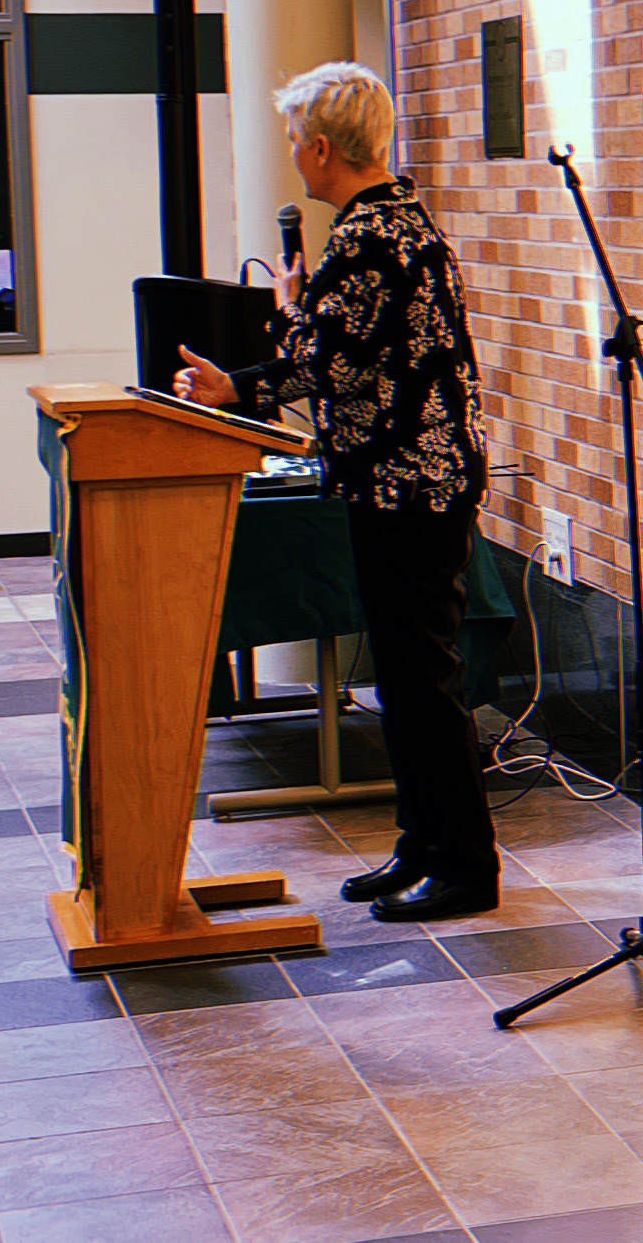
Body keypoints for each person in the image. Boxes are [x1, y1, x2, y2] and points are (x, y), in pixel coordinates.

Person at [173, 61, 499, 922]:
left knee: (419, 677)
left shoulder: (364, 239)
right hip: (424, 478)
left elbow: (330, 368)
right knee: (403, 672)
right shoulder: (405, 219)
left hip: (405, 486)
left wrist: (232, 386)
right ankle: (419, 844)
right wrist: (292, 313)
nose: (293, 159)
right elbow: (357, 351)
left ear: (321, 147)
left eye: (292, 143)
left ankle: (464, 865)